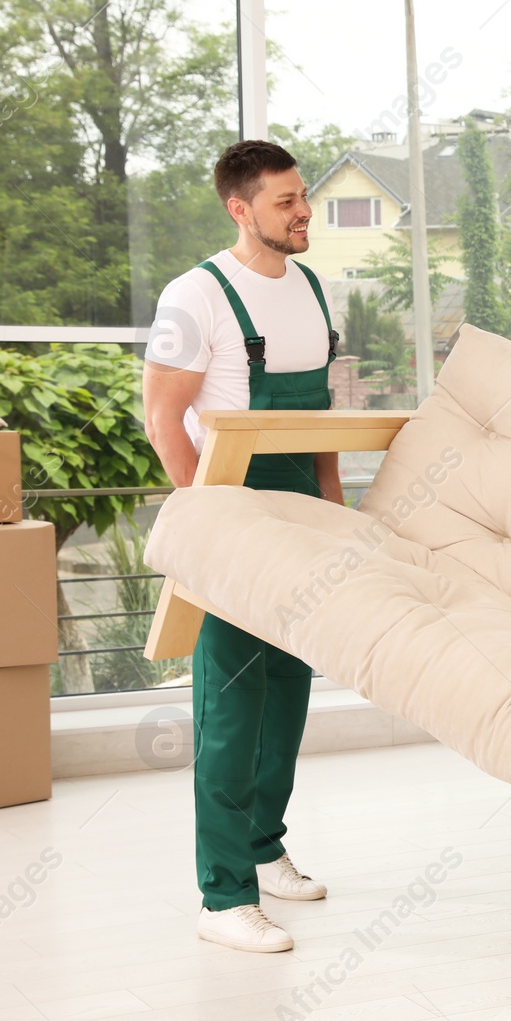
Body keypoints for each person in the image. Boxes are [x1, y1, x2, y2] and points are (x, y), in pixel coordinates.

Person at [142, 140, 340, 953]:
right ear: (240, 207)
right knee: (230, 704)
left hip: (299, 516)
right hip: (231, 516)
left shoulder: (310, 288)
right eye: (287, 200)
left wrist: (336, 510)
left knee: (288, 687)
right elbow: (162, 417)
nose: (304, 212)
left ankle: (263, 847)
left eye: (303, 197)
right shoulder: (196, 296)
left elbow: (320, 412)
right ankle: (223, 894)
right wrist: (207, 521)